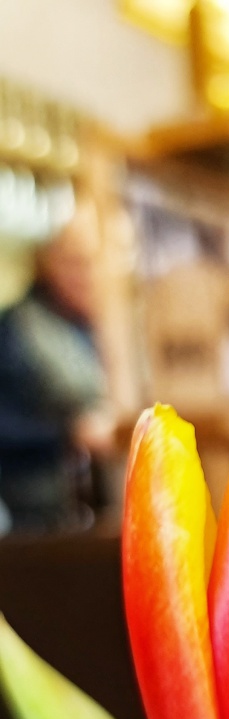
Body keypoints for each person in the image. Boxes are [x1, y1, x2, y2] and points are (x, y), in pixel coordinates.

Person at [0, 192, 109, 532]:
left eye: (93, 263)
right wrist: (69, 432)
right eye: (73, 262)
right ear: (46, 261)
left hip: (90, 512)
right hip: (34, 520)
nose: (85, 275)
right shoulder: (14, 328)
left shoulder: (94, 329)